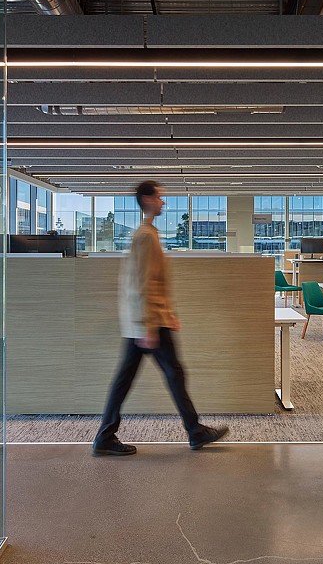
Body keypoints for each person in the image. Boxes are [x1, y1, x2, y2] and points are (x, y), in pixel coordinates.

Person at [91, 180, 228, 456]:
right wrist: (149, 326)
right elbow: (141, 284)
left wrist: (168, 314)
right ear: (148, 199)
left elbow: (153, 282)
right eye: (160, 198)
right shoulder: (145, 235)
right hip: (147, 323)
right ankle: (194, 431)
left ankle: (106, 436)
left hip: (148, 321)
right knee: (168, 374)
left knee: (135, 378)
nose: (164, 202)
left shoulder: (149, 233)